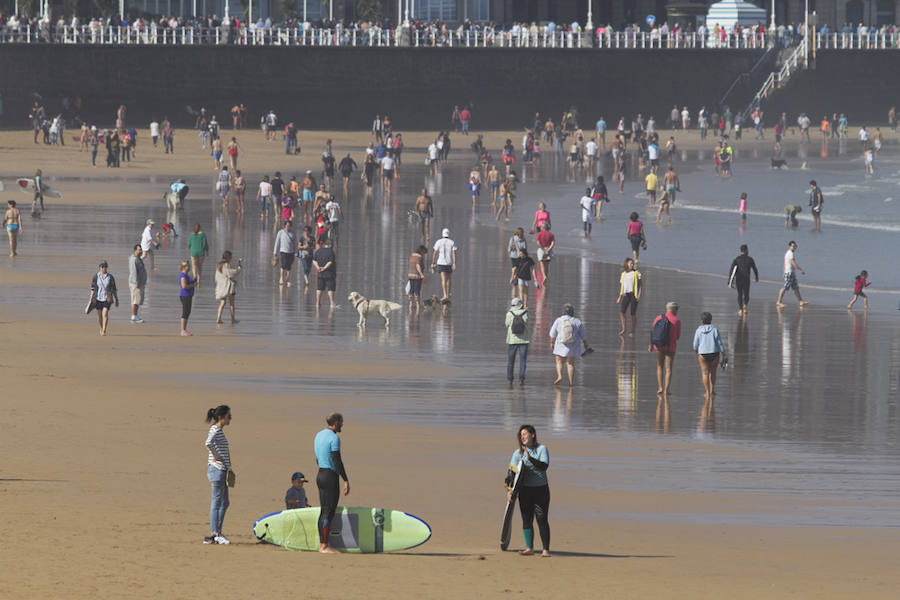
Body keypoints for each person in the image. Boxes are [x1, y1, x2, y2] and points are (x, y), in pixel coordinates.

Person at [508, 425, 550, 557]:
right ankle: (529, 548)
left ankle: (545, 550)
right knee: (526, 519)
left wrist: (530, 458)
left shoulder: (542, 449)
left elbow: (544, 466)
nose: (522, 437)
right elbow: (511, 474)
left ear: (532, 435)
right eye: (521, 435)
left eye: (525, 434)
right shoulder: (517, 453)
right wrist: (509, 491)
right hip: (525, 490)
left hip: (541, 490)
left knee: (541, 519)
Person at [314, 412, 350, 554]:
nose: (342, 424)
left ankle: (322, 544)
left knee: (324, 510)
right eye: (341, 421)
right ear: (335, 422)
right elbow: (337, 460)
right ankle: (324, 546)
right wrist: (346, 480)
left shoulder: (318, 435)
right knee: (329, 512)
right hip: (330, 476)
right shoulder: (334, 438)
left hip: (320, 474)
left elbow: (317, 457)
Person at [204, 405, 233, 545]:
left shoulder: (219, 431)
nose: (230, 419)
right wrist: (216, 456)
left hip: (222, 470)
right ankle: (215, 533)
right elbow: (208, 442)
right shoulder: (215, 429)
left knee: (225, 502)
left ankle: (217, 532)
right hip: (217, 470)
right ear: (221, 417)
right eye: (228, 416)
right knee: (217, 501)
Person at [549, 303, 590, 386]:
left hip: (560, 344)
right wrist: (586, 345)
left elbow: (552, 334)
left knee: (559, 361)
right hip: (573, 345)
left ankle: (559, 376)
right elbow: (583, 335)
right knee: (570, 363)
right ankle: (571, 383)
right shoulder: (577, 321)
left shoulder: (559, 320)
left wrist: (551, 342)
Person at [648, 301, 681, 397]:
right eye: (677, 309)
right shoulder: (677, 321)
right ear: (674, 309)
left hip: (658, 346)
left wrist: (650, 345)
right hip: (671, 347)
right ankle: (666, 390)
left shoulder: (658, 318)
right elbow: (678, 337)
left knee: (659, 366)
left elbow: (653, 332)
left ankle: (660, 388)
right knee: (668, 369)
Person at [693, 312, 727, 400]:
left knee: (705, 373)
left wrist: (697, 351)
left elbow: (695, 345)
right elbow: (719, 343)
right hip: (714, 353)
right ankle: (712, 390)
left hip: (703, 353)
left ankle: (707, 392)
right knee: (713, 372)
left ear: (702, 320)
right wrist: (724, 354)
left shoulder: (698, 330)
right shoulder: (715, 329)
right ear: (710, 320)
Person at [89, 260, 119, 336]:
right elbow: (92, 289)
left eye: (105, 267)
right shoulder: (96, 276)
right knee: (99, 316)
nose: (103, 268)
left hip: (107, 298)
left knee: (105, 314)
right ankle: (101, 328)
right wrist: (90, 299)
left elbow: (114, 289)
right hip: (98, 298)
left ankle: (104, 330)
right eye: (102, 267)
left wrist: (116, 299)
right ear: (99, 267)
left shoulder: (110, 277)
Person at [776, 241, 809, 307]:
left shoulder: (788, 253)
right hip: (789, 273)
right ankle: (779, 302)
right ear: (789, 246)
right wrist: (800, 270)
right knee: (785, 287)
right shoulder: (790, 253)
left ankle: (801, 301)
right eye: (793, 246)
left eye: (795, 246)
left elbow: (785, 263)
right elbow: (793, 263)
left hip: (791, 273)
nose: (794, 248)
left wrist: (783, 272)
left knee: (795, 287)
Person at [506, 297, 530, 384]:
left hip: (512, 340)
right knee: (523, 361)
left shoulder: (509, 313)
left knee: (510, 360)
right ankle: (521, 378)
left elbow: (506, 324)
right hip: (524, 340)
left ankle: (510, 378)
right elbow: (528, 323)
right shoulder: (525, 313)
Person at [729, 244, 759, 315]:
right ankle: (745, 305)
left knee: (739, 294)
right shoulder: (750, 259)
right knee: (746, 293)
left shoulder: (736, 259)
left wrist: (730, 280)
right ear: (746, 250)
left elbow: (732, 270)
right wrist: (756, 277)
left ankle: (740, 309)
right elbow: (755, 268)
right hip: (746, 279)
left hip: (739, 279)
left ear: (741, 250)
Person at [616, 258, 642, 337]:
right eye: (631, 263)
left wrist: (639, 295)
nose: (632, 264)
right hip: (626, 295)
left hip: (634, 295)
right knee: (622, 312)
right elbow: (622, 286)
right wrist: (620, 297)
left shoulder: (636, 273)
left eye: (633, 263)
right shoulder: (623, 274)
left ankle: (632, 331)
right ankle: (624, 328)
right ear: (627, 264)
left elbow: (641, 285)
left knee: (632, 314)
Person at [215, 251, 241, 325]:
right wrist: (239, 268)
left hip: (221, 287)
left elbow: (223, 276)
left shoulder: (218, 265)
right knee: (232, 304)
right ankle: (233, 319)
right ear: (229, 257)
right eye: (231, 257)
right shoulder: (227, 264)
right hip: (229, 287)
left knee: (222, 303)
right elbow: (231, 274)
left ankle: (218, 318)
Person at [432, 228, 457, 303]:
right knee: (449, 279)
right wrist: (454, 263)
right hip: (449, 263)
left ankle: (445, 295)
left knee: (443, 279)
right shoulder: (452, 242)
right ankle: (448, 295)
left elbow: (435, 252)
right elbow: (453, 253)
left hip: (441, 262)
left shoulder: (438, 242)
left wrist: (433, 262)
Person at [313, 238, 337, 309]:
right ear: (330, 245)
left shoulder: (318, 251)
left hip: (320, 273)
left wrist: (318, 268)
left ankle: (317, 303)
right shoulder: (331, 252)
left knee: (319, 288)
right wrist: (325, 268)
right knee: (330, 288)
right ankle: (332, 303)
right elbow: (330, 262)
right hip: (329, 273)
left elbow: (314, 261)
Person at [273, 220, 298, 287]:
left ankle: (287, 279)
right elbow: (277, 242)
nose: (288, 227)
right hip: (283, 251)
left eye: (289, 226)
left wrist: (296, 252)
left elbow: (295, 244)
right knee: (283, 264)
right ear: (285, 226)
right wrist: (275, 252)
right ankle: (281, 278)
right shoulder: (280, 232)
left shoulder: (293, 233)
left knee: (289, 266)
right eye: (287, 226)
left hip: (291, 251)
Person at [128, 244, 147, 323]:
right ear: (135, 250)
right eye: (139, 250)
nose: (141, 251)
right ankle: (133, 316)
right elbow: (133, 272)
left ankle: (135, 315)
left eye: (141, 249)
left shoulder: (138, 258)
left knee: (137, 300)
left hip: (139, 283)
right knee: (135, 300)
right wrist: (137, 283)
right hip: (135, 283)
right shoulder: (134, 259)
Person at [179, 260, 197, 336]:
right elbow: (184, 286)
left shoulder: (186, 275)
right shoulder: (183, 275)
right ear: (184, 267)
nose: (189, 267)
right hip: (185, 295)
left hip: (189, 295)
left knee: (187, 312)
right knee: (185, 312)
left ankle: (185, 329)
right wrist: (193, 285)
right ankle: (182, 330)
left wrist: (194, 281)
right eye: (187, 266)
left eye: (189, 266)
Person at [407, 245, 427, 312]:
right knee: (417, 291)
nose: (424, 254)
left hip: (410, 275)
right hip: (417, 276)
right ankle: (418, 305)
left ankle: (410, 304)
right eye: (424, 252)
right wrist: (421, 274)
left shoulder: (412, 256)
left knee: (411, 290)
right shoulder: (419, 257)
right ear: (422, 251)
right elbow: (418, 266)